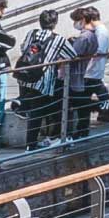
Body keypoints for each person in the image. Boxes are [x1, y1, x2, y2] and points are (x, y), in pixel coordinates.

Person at [14, 10, 67, 147]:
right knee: (38, 113)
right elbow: (71, 54)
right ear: (55, 23)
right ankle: (31, 145)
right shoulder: (58, 39)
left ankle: (21, 106)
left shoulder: (31, 33)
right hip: (43, 81)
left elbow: (23, 48)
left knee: (34, 109)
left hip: (25, 77)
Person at [64, 7, 109, 139]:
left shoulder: (99, 32)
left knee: (82, 103)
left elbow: (96, 52)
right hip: (91, 73)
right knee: (84, 103)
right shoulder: (97, 31)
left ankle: (84, 126)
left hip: (90, 73)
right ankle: (83, 129)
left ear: (84, 19)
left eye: (77, 21)